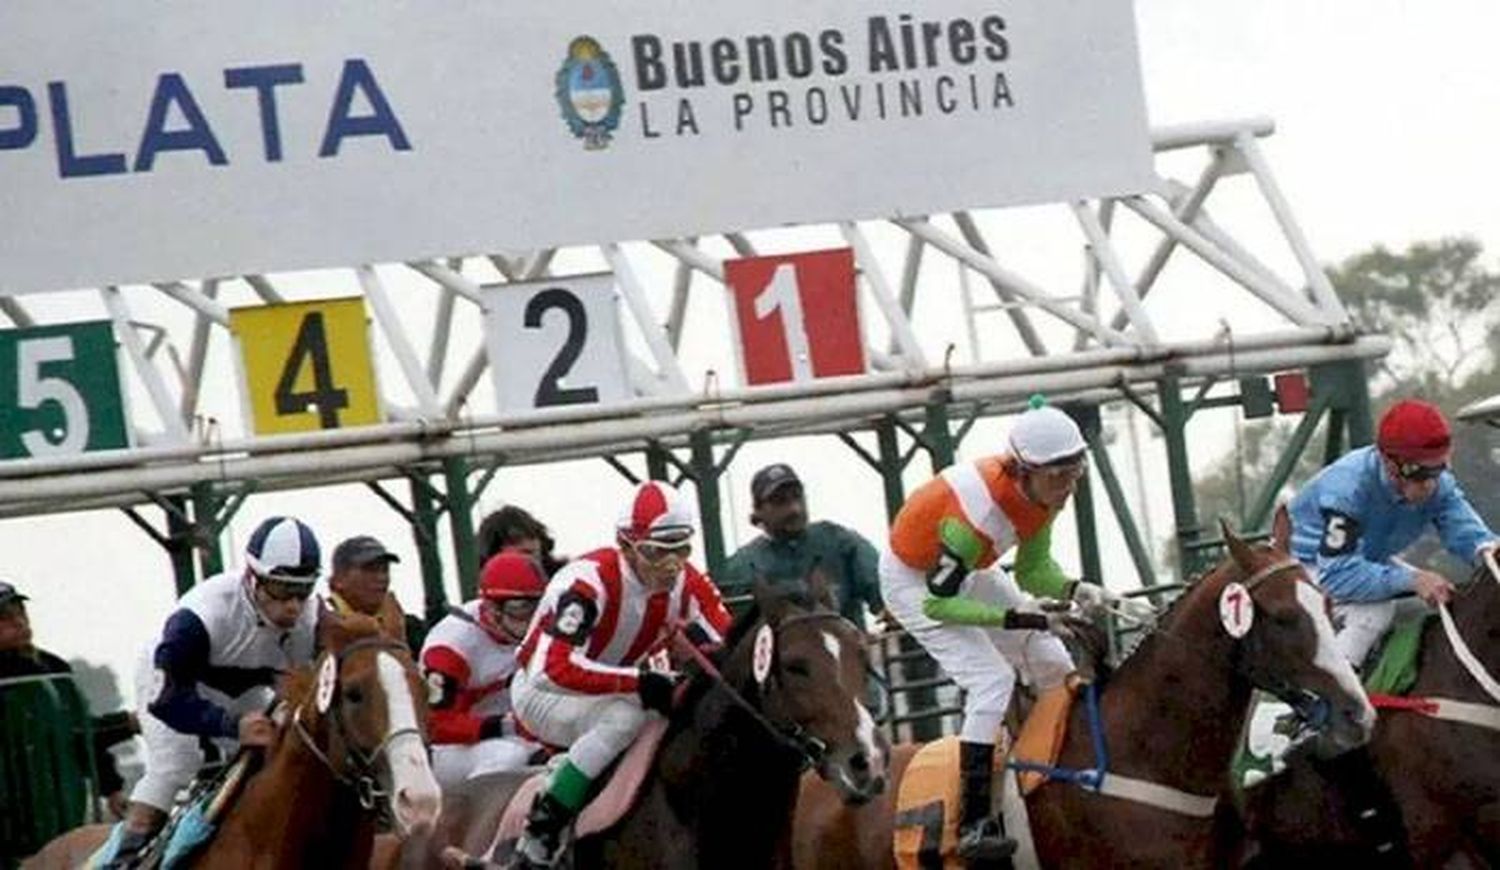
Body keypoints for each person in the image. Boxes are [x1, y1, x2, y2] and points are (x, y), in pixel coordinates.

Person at [880, 400, 1152, 863]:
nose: (1067, 488)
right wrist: (1024, 618)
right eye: (1057, 477)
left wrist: (1083, 589)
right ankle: (973, 824)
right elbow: (939, 601)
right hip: (914, 582)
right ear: (1023, 471)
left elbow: (1032, 571)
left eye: (1075, 473)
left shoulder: (1041, 496)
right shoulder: (978, 517)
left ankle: (1058, 777)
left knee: (1054, 664)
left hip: (971, 570)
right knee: (991, 680)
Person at [510, 481, 731, 868]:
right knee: (626, 716)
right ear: (625, 545)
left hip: (611, 687)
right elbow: (552, 669)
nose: (671, 566)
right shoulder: (586, 583)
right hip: (542, 692)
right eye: (655, 553)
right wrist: (639, 681)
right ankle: (543, 828)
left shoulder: (686, 580)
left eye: (681, 550)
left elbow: (727, 642)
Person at [95, 516, 322, 868]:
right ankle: (125, 857)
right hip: (174, 686)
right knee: (176, 766)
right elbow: (166, 701)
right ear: (253, 578)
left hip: (245, 683)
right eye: (281, 589)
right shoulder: (201, 616)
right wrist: (232, 725)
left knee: (272, 754)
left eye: (303, 590)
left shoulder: (312, 616)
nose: (293, 606)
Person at [1288, 398, 1499, 667]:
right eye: (1418, 472)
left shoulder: (1438, 485)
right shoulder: (1347, 488)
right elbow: (1337, 575)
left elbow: (1470, 534)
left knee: (1439, 604)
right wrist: (1414, 580)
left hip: (1362, 558)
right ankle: (1326, 704)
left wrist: (1489, 552)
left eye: (1439, 468)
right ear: (1388, 461)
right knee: (1374, 613)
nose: (1429, 485)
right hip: (1303, 565)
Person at [0, 581, 136, 818]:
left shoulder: (53, 668)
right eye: (4, 617)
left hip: (61, 813)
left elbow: (79, 732)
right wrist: (126, 723)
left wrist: (112, 788)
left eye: (20, 611)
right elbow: (52, 734)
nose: (19, 621)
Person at [420, 550, 547, 789]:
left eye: (538, 606)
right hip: (446, 750)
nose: (532, 619)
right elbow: (435, 725)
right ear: (491, 607)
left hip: (514, 733)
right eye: (520, 607)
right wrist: (508, 725)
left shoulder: (539, 629)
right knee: (510, 757)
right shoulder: (451, 645)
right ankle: (469, 819)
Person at [717, 463, 884, 628]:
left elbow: (884, 590)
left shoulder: (840, 541)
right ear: (758, 511)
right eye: (780, 501)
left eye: (797, 497)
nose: (794, 509)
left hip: (851, 651)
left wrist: (888, 608)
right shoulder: (740, 567)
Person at [323, 535, 407, 642]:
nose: (381, 577)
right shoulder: (315, 624)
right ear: (339, 579)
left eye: (385, 570)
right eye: (370, 569)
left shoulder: (407, 627)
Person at [477, 505, 567, 576]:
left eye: (532, 536)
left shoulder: (564, 584)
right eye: (514, 540)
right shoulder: (479, 594)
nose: (527, 546)